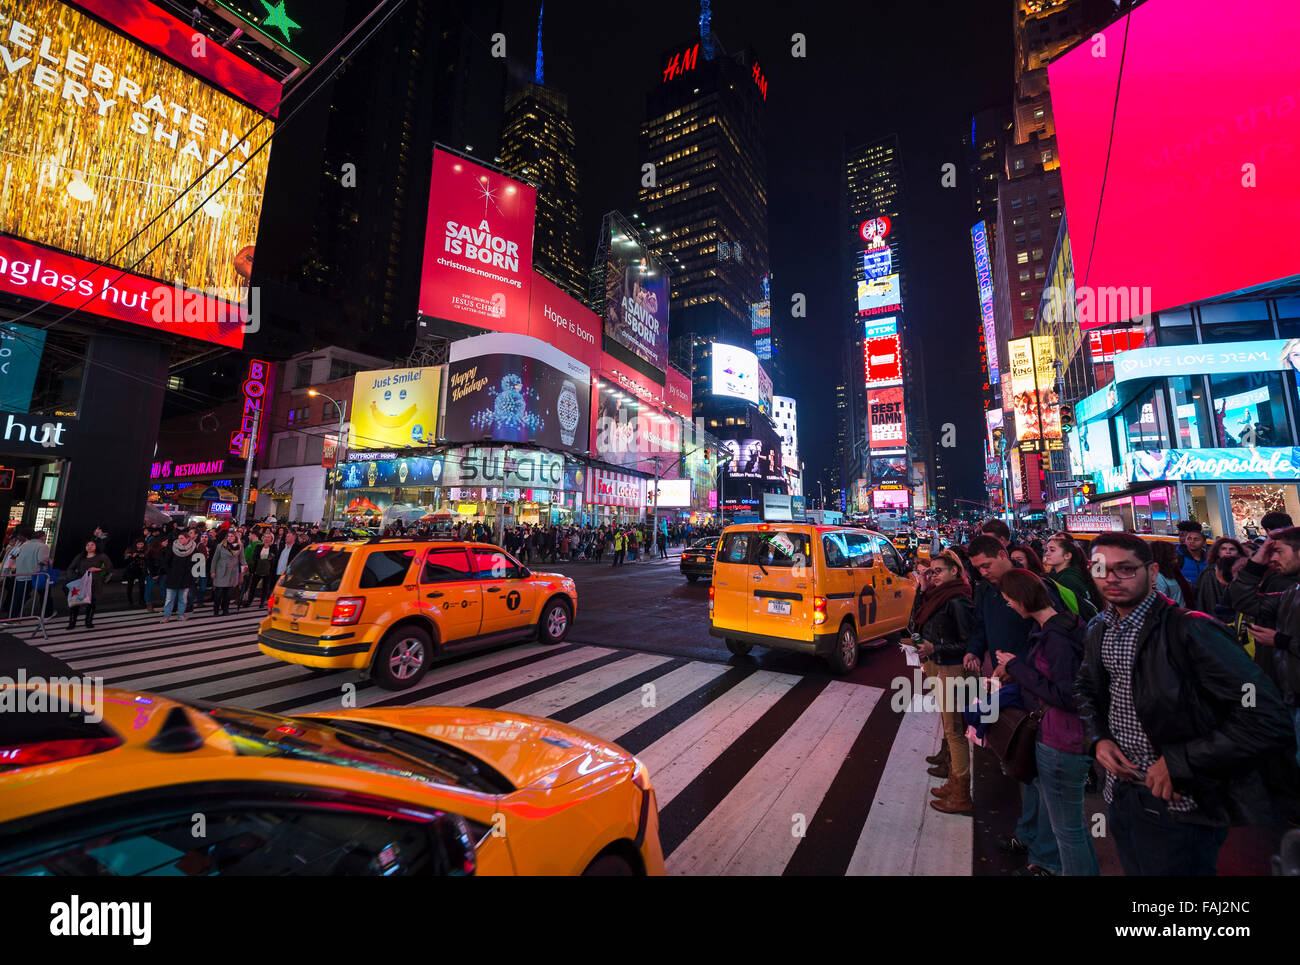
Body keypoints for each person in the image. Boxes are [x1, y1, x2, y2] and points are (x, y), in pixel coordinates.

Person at [1076, 532, 1294, 875]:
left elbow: (1264, 715)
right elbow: (1086, 689)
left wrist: (1180, 761)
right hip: (1119, 793)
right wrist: (1097, 738)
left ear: (1152, 571)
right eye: (1101, 569)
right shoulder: (1099, 628)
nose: (1112, 579)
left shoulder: (1192, 631)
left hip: (1178, 802)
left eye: (1126, 569)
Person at [964, 533, 1063, 869]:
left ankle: (1045, 856)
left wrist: (1016, 666)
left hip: (1038, 696)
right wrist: (974, 651)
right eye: (977, 569)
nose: (983, 573)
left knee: (1039, 776)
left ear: (1003, 554)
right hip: (1010, 685)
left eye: (986, 565)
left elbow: (1049, 638)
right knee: (1024, 768)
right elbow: (981, 626)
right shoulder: (987, 591)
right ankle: (1029, 836)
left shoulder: (1033, 588)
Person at [996, 569, 1098, 876]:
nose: (1009, 607)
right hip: (1063, 738)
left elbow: (1066, 695)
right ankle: (1049, 863)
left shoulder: (1056, 637)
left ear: (1022, 599)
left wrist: (1015, 666)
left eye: (1009, 600)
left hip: (1061, 740)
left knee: (1069, 830)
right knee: (1067, 823)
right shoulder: (1065, 625)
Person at [1224, 529, 1300, 764]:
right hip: (1290, 693)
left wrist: (1281, 641)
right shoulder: (1290, 591)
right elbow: (1242, 600)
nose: (1272, 558)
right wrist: (1257, 563)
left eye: (1278, 551)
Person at [912, 549, 975, 815]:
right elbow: (916, 619)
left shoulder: (958, 600)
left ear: (955, 571)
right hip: (940, 664)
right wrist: (922, 586)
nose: (934, 575)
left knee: (954, 731)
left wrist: (934, 647)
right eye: (931, 571)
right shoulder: (937, 596)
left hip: (951, 667)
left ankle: (961, 794)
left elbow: (965, 642)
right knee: (949, 726)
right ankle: (953, 781)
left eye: (938, 571)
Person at [62, 539, 113, 630]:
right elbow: (70, 568)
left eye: (92, 545)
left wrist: (98, 569)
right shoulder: (80, 556)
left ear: (96, 546)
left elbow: (110, 567)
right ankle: (72, 622)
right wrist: (72, 579)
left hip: (94, 582)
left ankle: (88, 621)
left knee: (91, 602)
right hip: (80, 582)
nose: (89, 547)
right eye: (87, 545)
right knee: (75, 602)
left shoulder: (101, 556)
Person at [1195, 537, 1246, 612]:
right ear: (1218, 552)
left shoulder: (1244, 571)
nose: (1228, 552)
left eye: (1232, 549)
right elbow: (1206, 600)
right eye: (1224, 549)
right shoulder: (1209, 572)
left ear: (1238, 552)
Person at [161, 530, 198, 623]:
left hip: (186, 577)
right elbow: (166, 561)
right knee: (169, 598)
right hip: (173, 576)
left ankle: (181, 614)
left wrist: (191, 574)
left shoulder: (193, 548)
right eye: (179, 538)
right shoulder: (172, 547)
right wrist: (170, 572)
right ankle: (166, 615)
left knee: (183, 598)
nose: (179, 540)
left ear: (187, 539)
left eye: (182, 538)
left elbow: (196, 562)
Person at [211, 533, 245, 616]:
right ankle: (216, 610)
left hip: (233, 573)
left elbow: (242, 559)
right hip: (221, 572)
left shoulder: (239, 547)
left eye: (232, 536)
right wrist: (213, 571)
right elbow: (215, 559)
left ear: (235, 537)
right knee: (218, 593)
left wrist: (245, 568)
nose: (230, 538)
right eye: (228, 536)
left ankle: (225, 610)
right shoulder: (220, 546)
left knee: (228, 594)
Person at [1151, 541, 1194, 607]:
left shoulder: (1174, 571)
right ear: (1163, 555)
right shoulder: (1158, 577)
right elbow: (1160, 604)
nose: (1176, 554)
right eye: (1172, 552)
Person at [246, 531, 278, 607]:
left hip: (268, 570)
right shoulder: (259, 546)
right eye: (265, 537)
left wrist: (268, 560)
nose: (266, 539)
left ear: (271, 539)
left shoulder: (273, 547)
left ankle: (262, 602)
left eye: (268, 537)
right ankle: (249, 601)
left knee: (265, 587)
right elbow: (254, 557)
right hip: (258, 569)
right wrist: (261, 561)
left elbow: (274, 558)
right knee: (253, 586)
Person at [1176, 520, 1209, 586]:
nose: (1182, 539)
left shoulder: (1210, 558)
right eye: (1180, 535)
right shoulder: (1175, 557)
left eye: (1185, 535)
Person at [122, 538, 148, 607]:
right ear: (136, 544)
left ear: (144, 544)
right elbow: (125, 560)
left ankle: (141, 600)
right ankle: (130, 601)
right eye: (138, 544)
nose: (140, 546)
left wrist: (144, 557)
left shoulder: (146, 550)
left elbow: (149, 560)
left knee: (142, 586)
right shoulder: (130, 550)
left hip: (141, 571)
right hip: (131, 571)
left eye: (141, 544)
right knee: (130, 586)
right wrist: (132, 556)